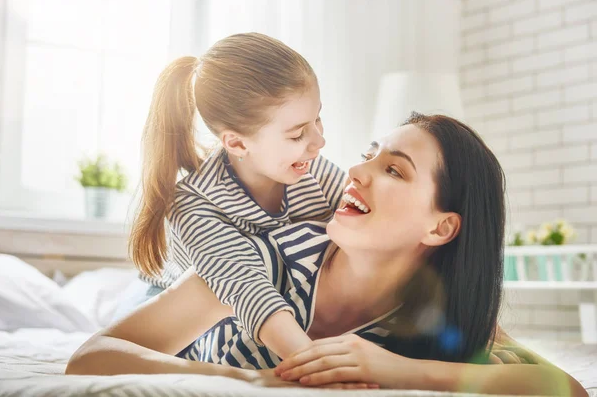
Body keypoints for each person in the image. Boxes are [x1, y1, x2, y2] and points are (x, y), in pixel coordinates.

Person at [67, 113, 586, 395]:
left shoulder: (436, 310)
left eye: (394, 170)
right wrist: (249, 379)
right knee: (125, 292)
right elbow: (90, 357)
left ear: (441, 227)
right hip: (178, 300)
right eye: (368, 157)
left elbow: (562, 388)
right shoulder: (263, 261)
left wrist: (395, 370)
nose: (355, 173)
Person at [120, 32, 346, 360]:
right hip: (168, 309)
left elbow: (362, 229)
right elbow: (246, 287)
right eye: (298, 134)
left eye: (318, 118)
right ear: (238, 143)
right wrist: (315, 367)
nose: (319, 141)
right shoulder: (192, 206)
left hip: (257, 304)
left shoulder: (313, 170)